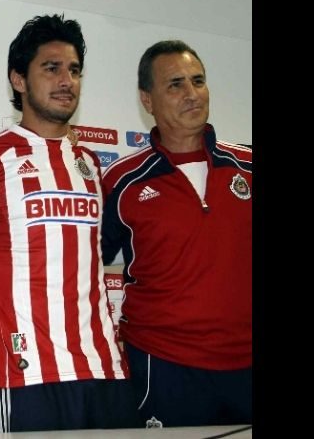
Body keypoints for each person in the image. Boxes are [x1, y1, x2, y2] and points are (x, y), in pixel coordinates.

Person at [0, 14, 137, 432]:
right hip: (27, 368)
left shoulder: (90, 164)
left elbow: (98, 254)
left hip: (103, 363)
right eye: (51, 68)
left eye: (74, 70)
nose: (66, 80)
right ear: (19, 80)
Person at [100, 40, 251, 427]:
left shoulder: (248, 166)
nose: (191, 93)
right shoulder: (122, 181)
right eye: (175, 84)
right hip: (164, 365)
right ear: (147, 100)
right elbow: (76, 258)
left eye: (198, 81)